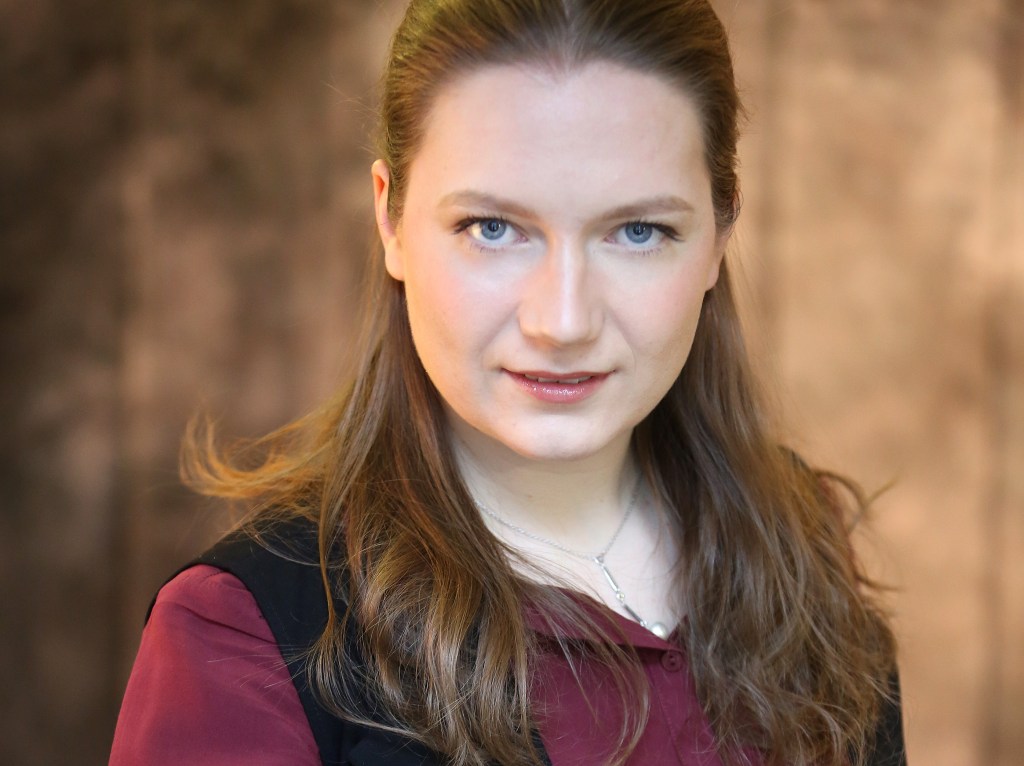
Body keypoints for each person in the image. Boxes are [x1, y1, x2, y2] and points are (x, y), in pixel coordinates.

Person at [110, 1, 906, 764]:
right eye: (492, 228)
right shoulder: (245, 639)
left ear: (720, 232)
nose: (562, 321)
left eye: (638, 231)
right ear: (391, 220)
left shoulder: (802, 549)